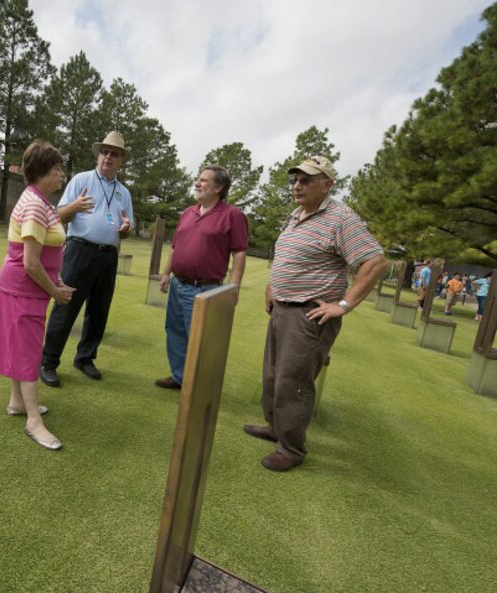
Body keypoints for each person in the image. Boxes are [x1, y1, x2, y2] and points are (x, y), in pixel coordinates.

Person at [243, 156, 386, 472]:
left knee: (292, 382)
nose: (297, 185)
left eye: (306, 180)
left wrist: (343, 305)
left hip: (309, 315)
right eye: (295, 180)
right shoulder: (296, 215)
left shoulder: (341, 219)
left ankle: (291, 449)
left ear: (327, 184)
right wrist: (272, 286)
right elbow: (288, 257)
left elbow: (375, 262)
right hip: (282, 308)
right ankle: (275, 427)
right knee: (272, 375)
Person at [0, 140, 75, 450]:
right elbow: (31, 263)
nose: (61, 174)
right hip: (23, 289)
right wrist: (56, 292)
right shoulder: (36, 205)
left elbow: (48, 255)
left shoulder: (40, 200)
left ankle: (17, 402)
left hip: (26, 289)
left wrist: (57, 279)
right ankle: (33, 420)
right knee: (28, 352)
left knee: (21, 346)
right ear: (40, 173)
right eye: (56, 170)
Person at [39, 131, 134, 387]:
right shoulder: (81, 180)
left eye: (114, 153)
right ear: (98, 155)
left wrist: (126, 229)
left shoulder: (124, 193)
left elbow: (127, 227)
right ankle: (48, 362)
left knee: (99, 310)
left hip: (109, 255)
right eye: (104, 151)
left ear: (121, 159)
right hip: (80, 251)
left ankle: (85, 358)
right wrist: (74, 207)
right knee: (66, 305)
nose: (108, 157)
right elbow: (58, 216)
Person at [154, 166, 248, 390]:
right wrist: (167, 273)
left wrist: (233, 287)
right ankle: (180, 378)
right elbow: (176, 247)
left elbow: (239, 252)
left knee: (200, 341)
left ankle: (198, 386)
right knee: (175, 333)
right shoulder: (188, 212)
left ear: (218, 188)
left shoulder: (232, 215)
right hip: (178, 285)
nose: (197, 183)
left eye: (203, 180)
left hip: (204, 289)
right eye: (198, 179)